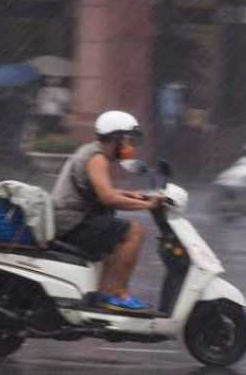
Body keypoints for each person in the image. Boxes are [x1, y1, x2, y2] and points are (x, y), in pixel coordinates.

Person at [51, 110, 165, 312]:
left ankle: (103, 295)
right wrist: (148, 205)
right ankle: (117, 294)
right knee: (134, 231)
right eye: (127, 140)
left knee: (115, 234)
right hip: (71, 221)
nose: (130, 147)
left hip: (71, 219)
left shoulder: (93, 153)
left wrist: (134, 195)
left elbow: (104, 191)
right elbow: (107, 197)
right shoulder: (97, 158)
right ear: (116, 138)